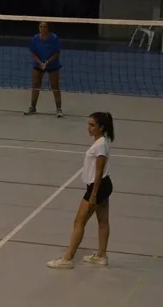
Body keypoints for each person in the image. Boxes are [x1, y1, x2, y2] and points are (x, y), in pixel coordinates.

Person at [47, 112, 115, 269]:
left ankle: (67, 258)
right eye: (88, 124)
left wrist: (93, 194)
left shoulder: (100, 146)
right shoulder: (101, 141)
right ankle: (101, 256)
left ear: (101, 127)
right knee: (103, 221)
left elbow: (99, 171)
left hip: (97, 187)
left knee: (79, 221)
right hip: (104, 185)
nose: (88, 128)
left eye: (92, 125)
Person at [25, 21, 63, 117]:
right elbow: (33, 53)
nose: (42, 28)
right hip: (39, 64)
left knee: (55, 86)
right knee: (35, 85)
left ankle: (59, 109)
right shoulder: (35, 38)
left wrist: (47, 62)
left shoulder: (54, 38)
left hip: (52, 64)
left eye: (45, 27)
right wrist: (40, 63)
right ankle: (33, 107)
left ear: (48, 28)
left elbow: (57, 53)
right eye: (41, 26)